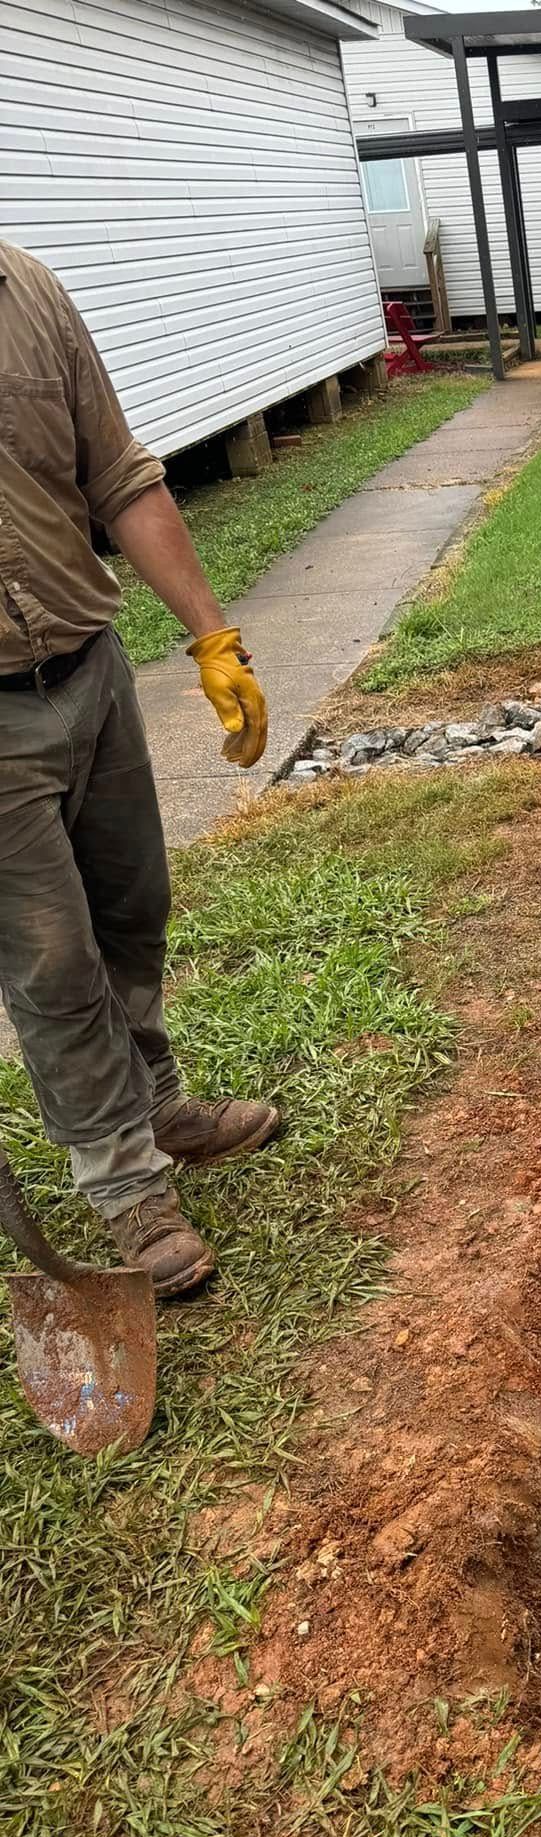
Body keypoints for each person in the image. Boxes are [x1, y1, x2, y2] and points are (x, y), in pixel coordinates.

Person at [0, 239, 280, 1297]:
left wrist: (213, 637)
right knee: (52, 962)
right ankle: (124, 1181)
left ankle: (157, 1104)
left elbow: (117, 475)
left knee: (132, 908)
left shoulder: (28, 289)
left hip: (92, 672)